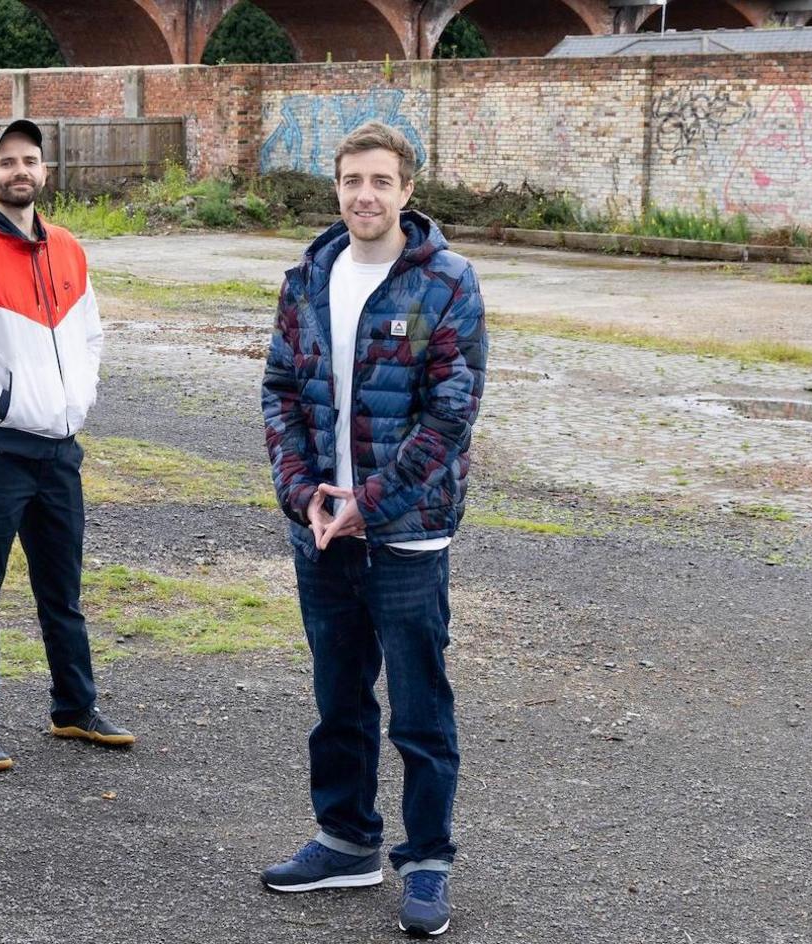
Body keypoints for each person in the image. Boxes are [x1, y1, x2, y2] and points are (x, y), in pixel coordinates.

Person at [258, 121, 487, 937]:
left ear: (408, 191)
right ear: (337, 186)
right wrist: (302, 495)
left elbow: (450, 415)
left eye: (381, 181)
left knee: (420, 709)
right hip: (321, 531)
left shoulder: (447, 283)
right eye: (353, 180)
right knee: (338, 696)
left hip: (405, 534)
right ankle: (346, 839)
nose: (366, 195)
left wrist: (371, 502)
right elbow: (281, 390)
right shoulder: (308, 278)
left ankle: (427, 862)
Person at [0, 118, 134, 772]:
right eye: (6, 161)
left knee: (61, 589)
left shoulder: (68, 247)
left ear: (44, 172)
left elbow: (91, 336)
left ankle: (73, 708)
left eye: (30, 160)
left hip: (59, 453)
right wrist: (5, 406)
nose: (20, 170)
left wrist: (79, 403)